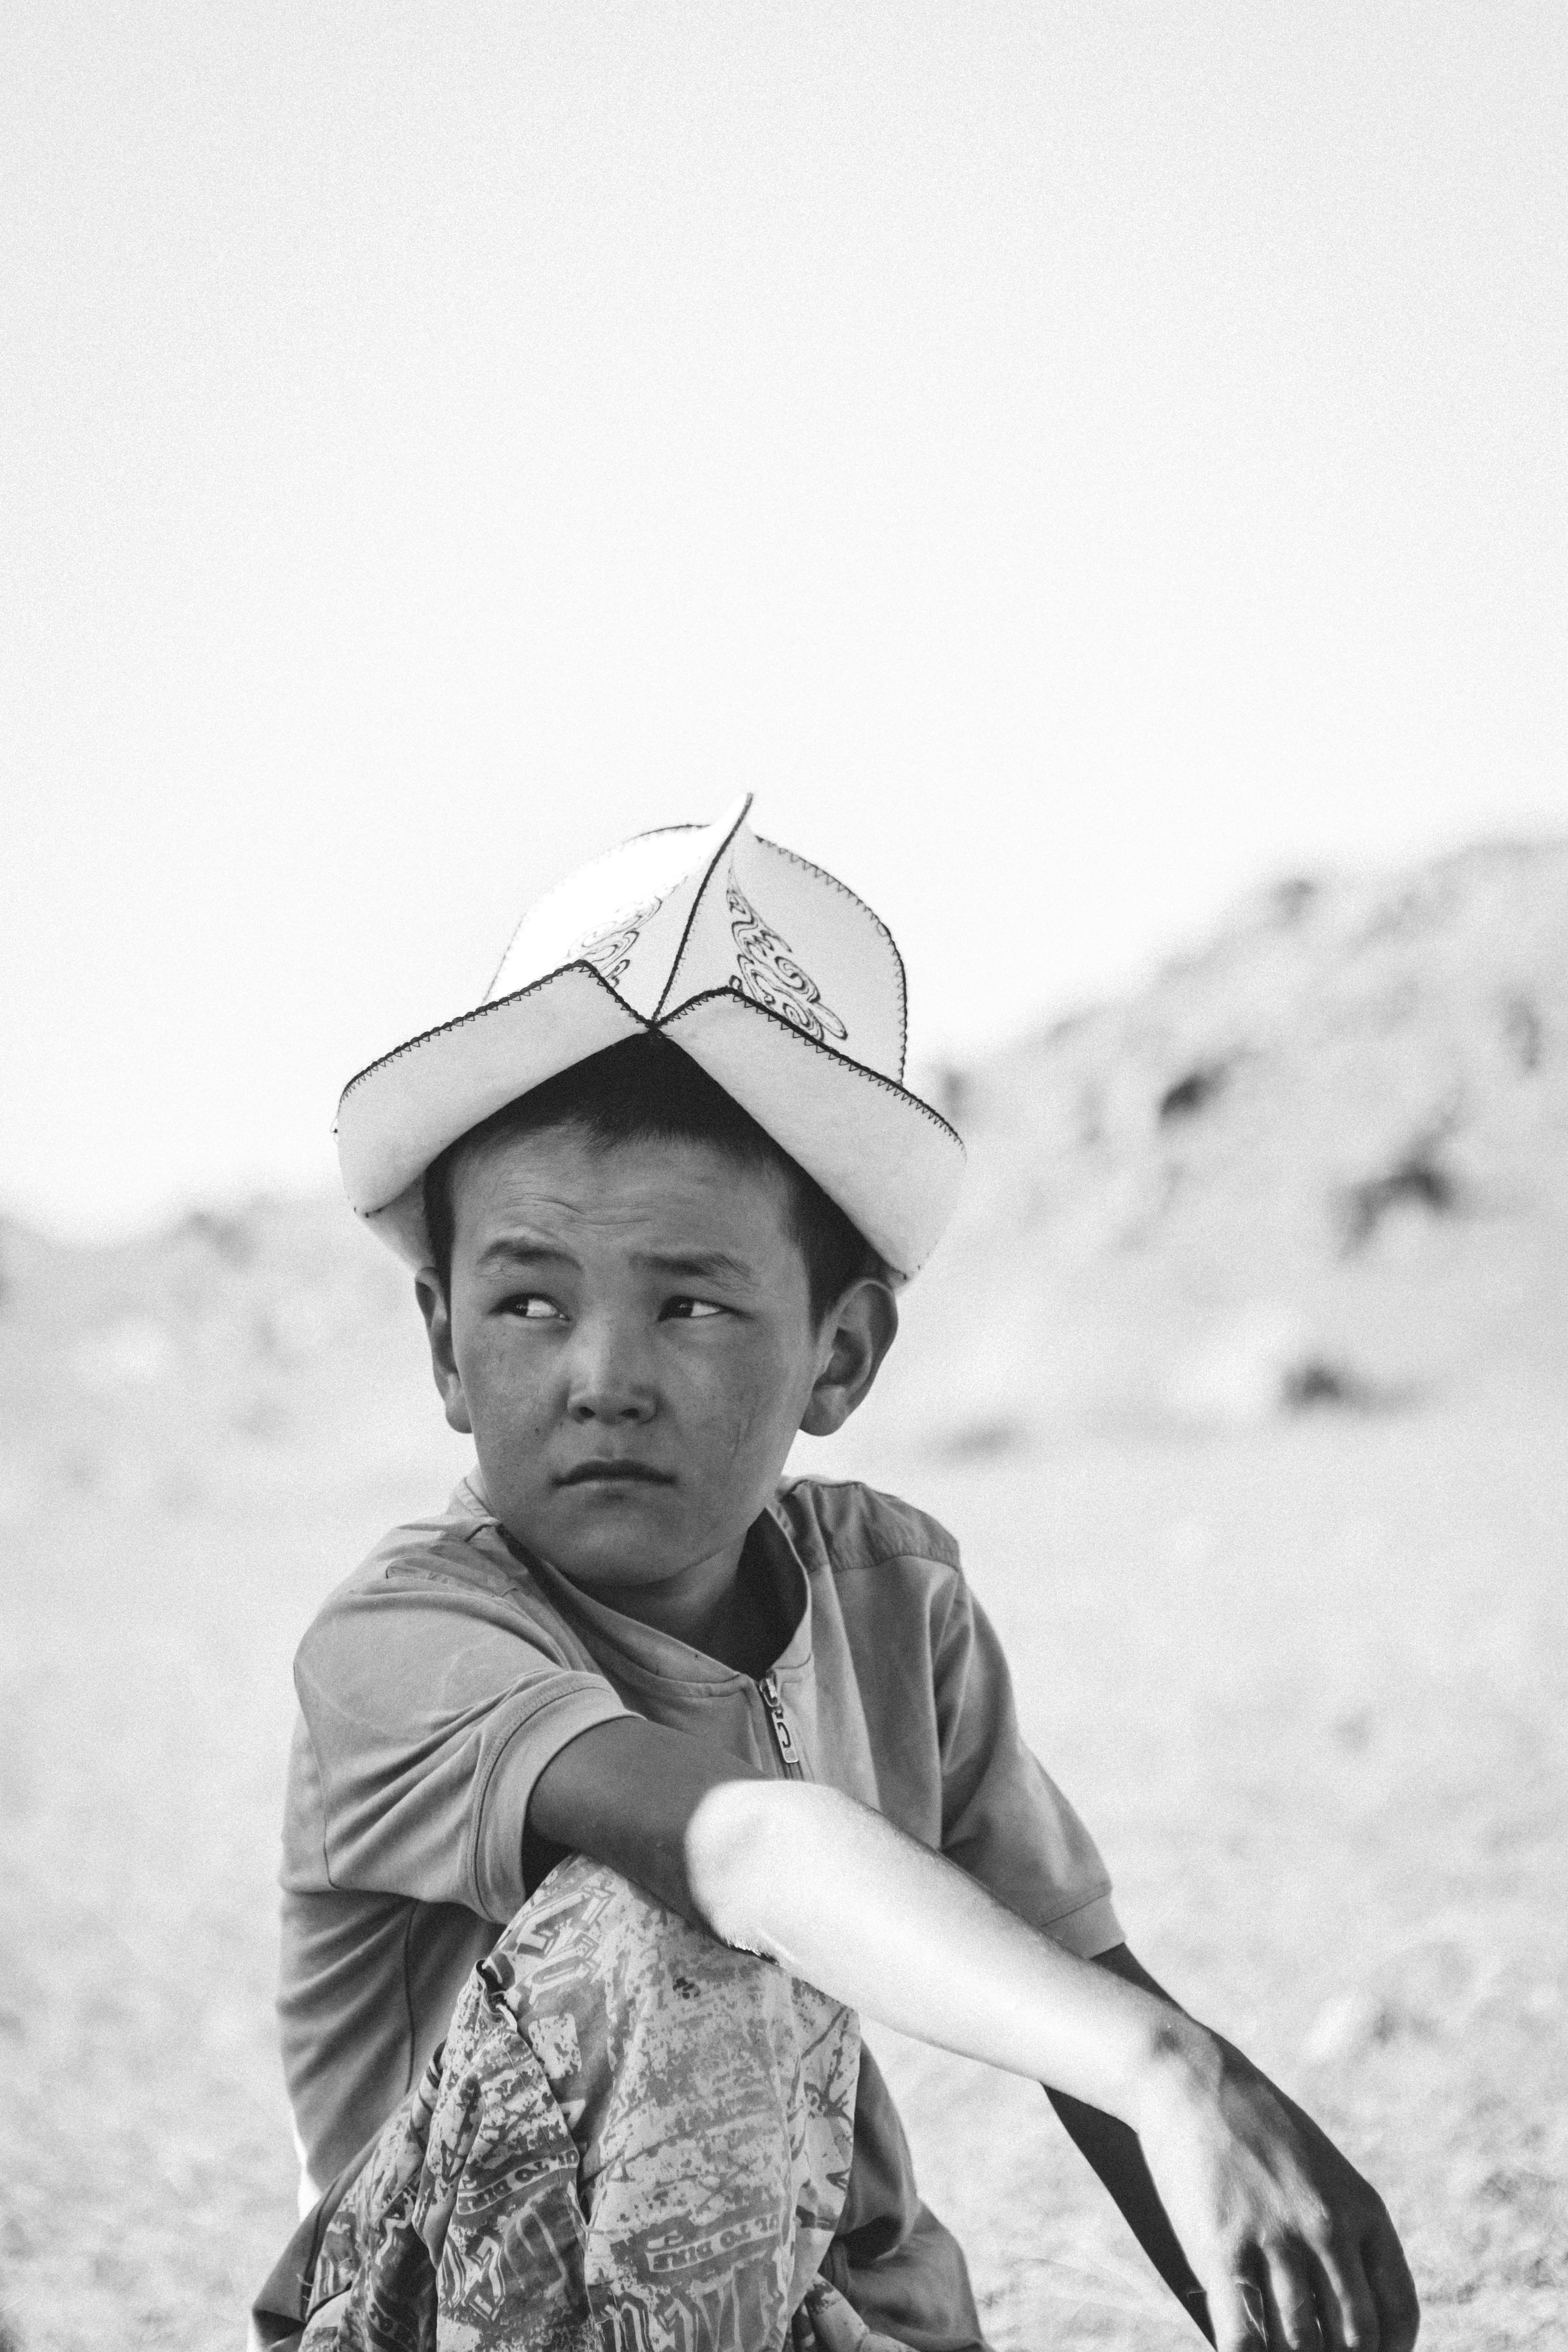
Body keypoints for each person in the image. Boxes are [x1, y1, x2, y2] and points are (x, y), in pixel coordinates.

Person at [254, 799, 1419, 2352]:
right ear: (443, 1345)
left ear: (842, 1356)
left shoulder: (890, 1596)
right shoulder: (406, 1640)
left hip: (833, 2317)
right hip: (458, 2320)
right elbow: (743, 1857)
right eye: (529, 1301)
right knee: (673, 1922)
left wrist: (1244, 2230)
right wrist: (1162, 2061)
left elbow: (1068, 1980)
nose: (603, 1374)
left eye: (690, 1305)